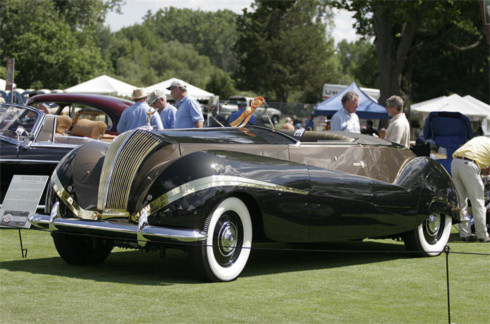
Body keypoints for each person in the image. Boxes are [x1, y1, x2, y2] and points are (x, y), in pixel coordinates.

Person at [451, 136, 490, 243]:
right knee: (478, 201)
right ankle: (482, 235)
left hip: (455, 162)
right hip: (469, 165)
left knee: (461, 202)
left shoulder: (481, 139)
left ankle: (465, 234)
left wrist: (484, 169)